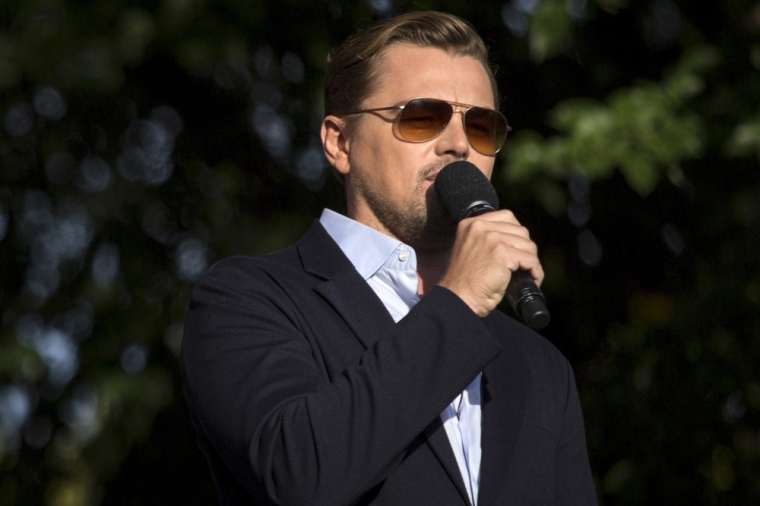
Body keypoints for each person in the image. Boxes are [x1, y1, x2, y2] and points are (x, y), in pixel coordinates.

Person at [181, 11, 596, 506]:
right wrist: (458, 304)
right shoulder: (248, 299)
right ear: (340, 142)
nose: (458, 144)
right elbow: (298, 473)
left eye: (481, 126)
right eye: (423, 117)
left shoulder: (539, 365)